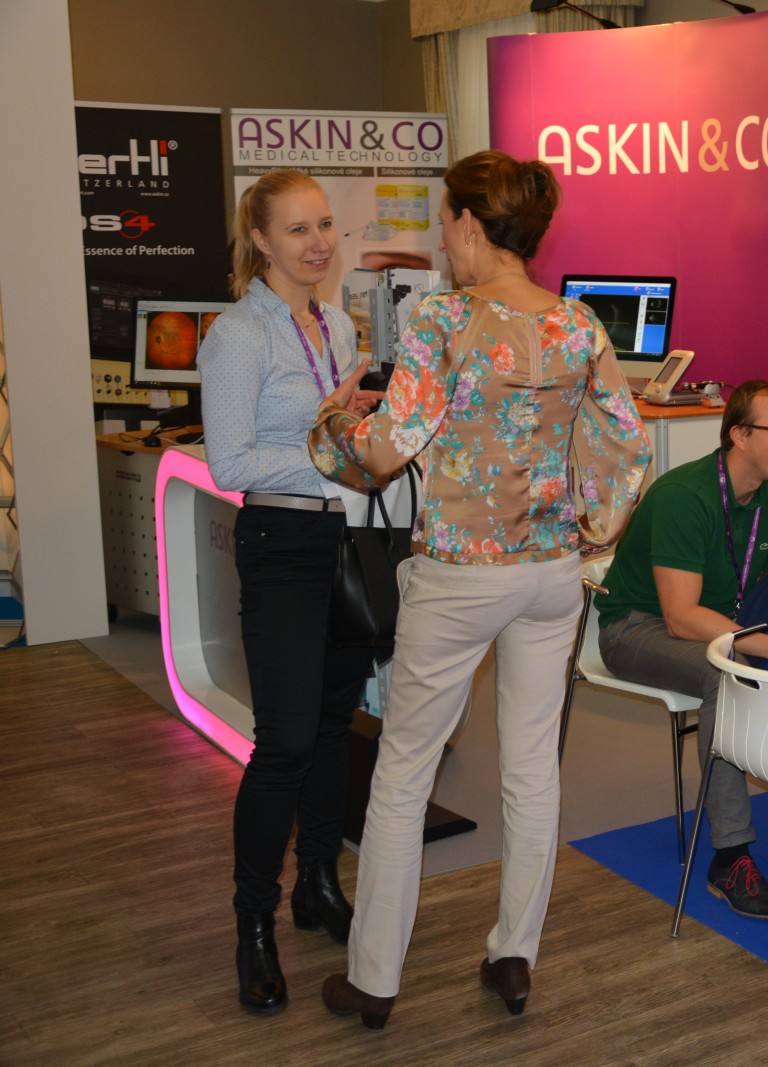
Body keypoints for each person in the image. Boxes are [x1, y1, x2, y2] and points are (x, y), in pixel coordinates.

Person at [307, 150, 652, 1030]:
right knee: (532, 766)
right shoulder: (578, 323)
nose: (442, 240)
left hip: (462, 571)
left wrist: (331, 421)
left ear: (468, 222)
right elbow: (629, 442)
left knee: (403, 772)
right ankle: (513, 955)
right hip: (550, 574)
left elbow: (382, 452)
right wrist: (596, 524)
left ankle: (375, 979)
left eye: (444, 223)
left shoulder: (444, 319)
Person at [199, 169, 386, 1013]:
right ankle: (254, 922)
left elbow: (338, 434)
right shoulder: (239, 335)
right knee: (282, 742)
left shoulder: (337, 326)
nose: (318, 244)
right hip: (280, 546)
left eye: (325, 227)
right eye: (298, 229)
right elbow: (231, 462)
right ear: (261, 240)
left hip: (343, 541)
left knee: (331, 725)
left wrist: (359, 429)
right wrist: (332, 452)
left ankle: (317, 881)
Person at [597, 380, 768, 921]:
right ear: (738, 434)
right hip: (639, 627)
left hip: (726, 622)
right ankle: (730, 856)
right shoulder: (684, 496)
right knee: (729, 676)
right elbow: (681, 615)